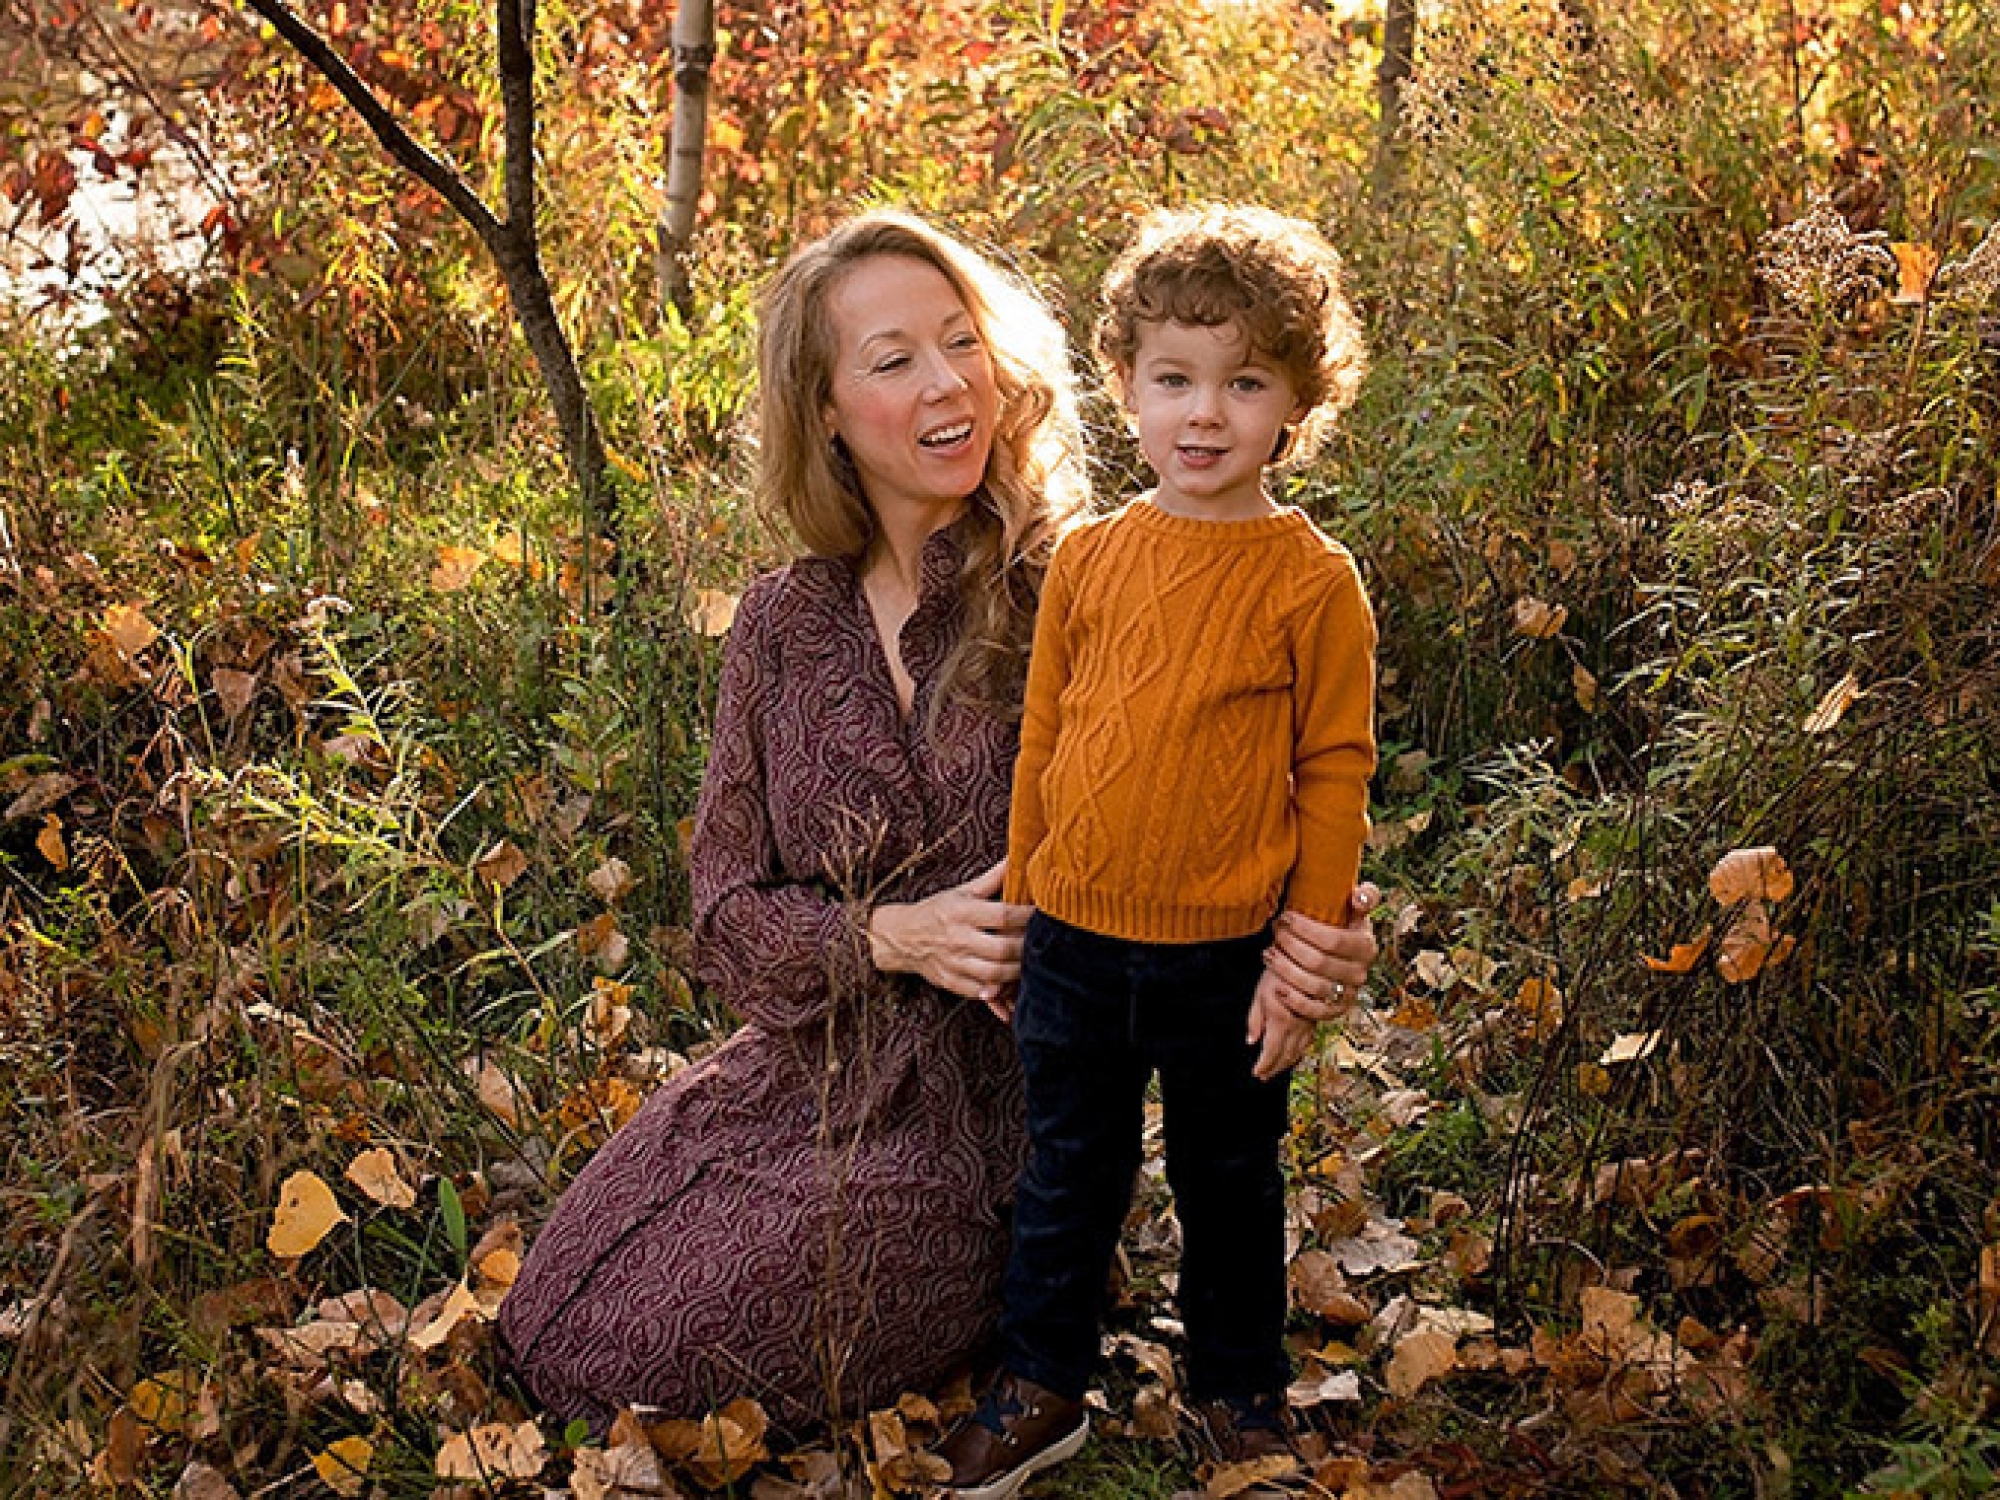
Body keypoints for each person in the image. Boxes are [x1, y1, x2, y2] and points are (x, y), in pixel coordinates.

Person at [497, 208, 1379, 1435]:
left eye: (959, 341)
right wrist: (886, 937)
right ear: (823, 407)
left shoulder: (1088, 575)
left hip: (1013, 1088)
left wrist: (1322, 929)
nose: (944, 381)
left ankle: (1087, 1336)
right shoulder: (779, 627)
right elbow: (724, 912)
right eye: (892, 357)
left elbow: (1264, 782)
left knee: (652, 1355)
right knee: (553, 1312)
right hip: (812, 1067)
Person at [938, 204, 1376, 1498]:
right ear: (1123, 385)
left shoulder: (1314, 584)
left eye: (1244, 383)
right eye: (1175, 379)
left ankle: (1238, 1391)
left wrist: (1300, 960)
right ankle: (1041, 1382)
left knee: (1228, 1178)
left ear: (1298, 400)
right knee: (1069, 1170)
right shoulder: (1090, 559)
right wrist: (1021, 899)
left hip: (1225, 951)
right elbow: (1048, 741)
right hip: (1074, 937)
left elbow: (1333, 772)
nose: (1205, 414)